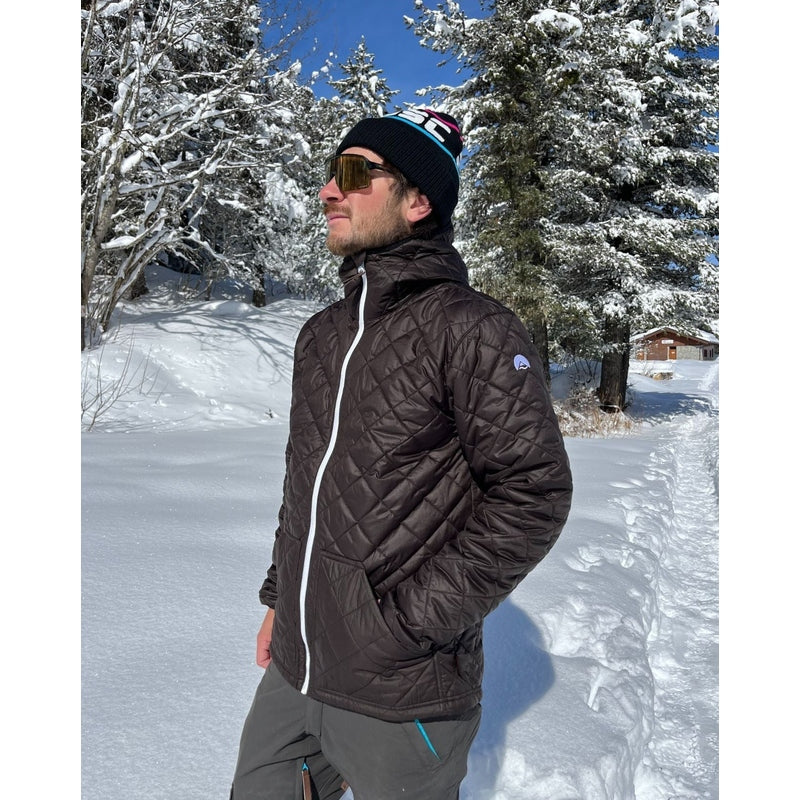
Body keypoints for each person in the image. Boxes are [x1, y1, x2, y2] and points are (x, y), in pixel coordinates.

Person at [230, 108, 573, 800]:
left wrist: (404, 626)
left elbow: (533, 494)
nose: (329, 190)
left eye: (355, 174)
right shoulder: (322, 335)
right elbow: (309, 488)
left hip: (401, 687)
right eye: (331, 172)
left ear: (417, 202)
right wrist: (281, 599)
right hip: (297, 666)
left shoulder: (473, 328)